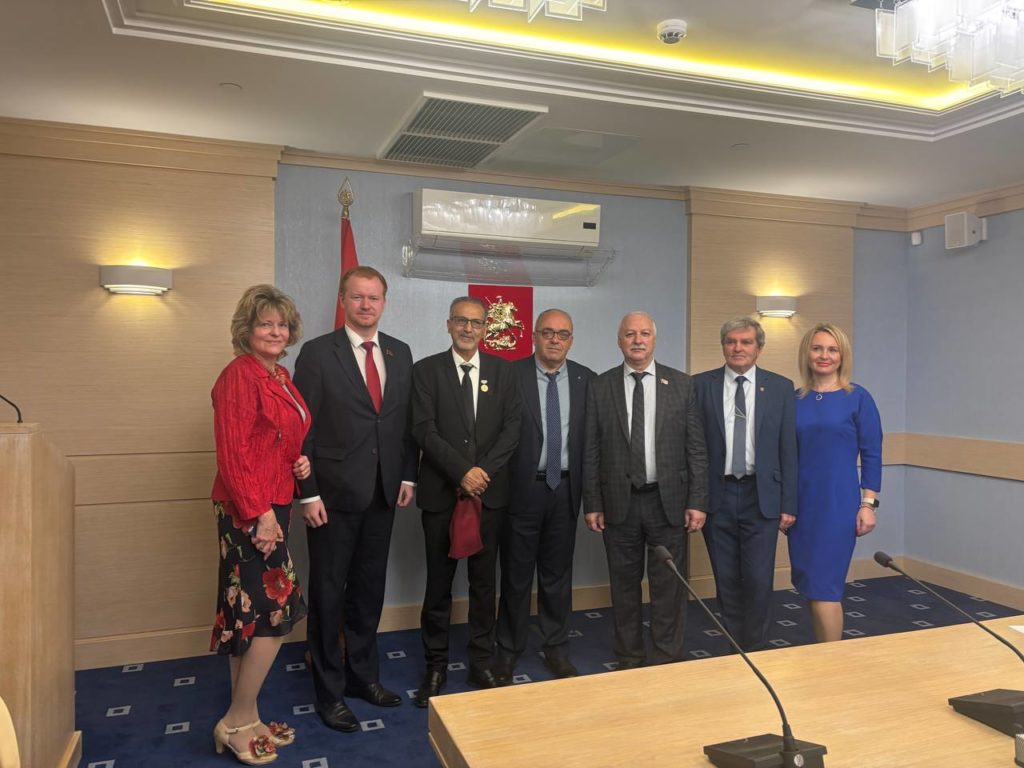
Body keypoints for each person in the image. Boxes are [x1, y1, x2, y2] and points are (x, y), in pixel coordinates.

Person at [292, 266, 418, 732]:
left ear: (384, 302)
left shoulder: (399, 352)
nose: (366, 305)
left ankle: (363, 677)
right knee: (328, 593)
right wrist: (308, 494)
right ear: (343, 300)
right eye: (358, 297)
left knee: (368, 591)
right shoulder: (317, 353)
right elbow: (302, 428)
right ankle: (329, 692)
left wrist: (408, 476)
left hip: (383, 492)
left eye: (374, 297)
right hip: (332, 496)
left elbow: (404, 423)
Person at [210, 284, 310, 765]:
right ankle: (234, 720)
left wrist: (298, 461)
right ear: (246, 330)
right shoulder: (239, 375)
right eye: (265, 323)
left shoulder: (279, 375)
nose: (275, 331)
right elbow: (232, 454)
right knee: (274, 613)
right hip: (249, 510)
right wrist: (260, 514)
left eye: (282, 324)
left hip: (274, 501)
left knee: (248, 613)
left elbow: (274, 439)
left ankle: (247, 719)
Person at [410, 296, 522, 706]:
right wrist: (462, 472)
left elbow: (512, 429)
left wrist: (481, 473)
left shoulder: (504, 372)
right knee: (438, 587)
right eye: (461, 321)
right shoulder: (426, 371)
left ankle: (480, 663)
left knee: (484, 585)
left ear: (486, 328)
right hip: (442, 496)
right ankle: (435, 667)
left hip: (490, 496)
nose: (468, 328)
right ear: (449, 324)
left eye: (476, 322)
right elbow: (424, 430)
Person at [583, 311, 709, 668]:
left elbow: (696, 448)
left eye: (644, 334)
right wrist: (592, 502)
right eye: (630, 334)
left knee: (669, 586)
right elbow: (591, 448)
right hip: (618, 502)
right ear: (619, 340)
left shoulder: (682, 384)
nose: (637, 340)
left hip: (668, 502)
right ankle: (629, 657)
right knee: (623, 586)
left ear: (654, 339)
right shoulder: (600, 386)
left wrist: (698, 500)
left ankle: (668, 657)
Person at [494, 309, 595, 683]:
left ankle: (556, 648)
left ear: (571, 340)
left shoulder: (587, 380)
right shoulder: (510, 374)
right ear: (534, 336)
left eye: (563, 334)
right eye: (548, 332)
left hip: (565, 490)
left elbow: (592, 442)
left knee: (557, 577)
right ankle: (508, 651)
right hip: (522, 490)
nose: (555, 339)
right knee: (516, 577)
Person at [693, 317, 797, 652]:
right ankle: (734, 647)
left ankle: (756, 647)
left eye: (746, 342)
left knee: (757, 578)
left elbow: (788, 449)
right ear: (723, 346)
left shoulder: (780, 387)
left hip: (761, 496)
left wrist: (788, 503)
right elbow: (692, 447)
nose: (738, 348)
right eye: (731, 341)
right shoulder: (700, 385)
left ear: (759, 348)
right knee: (725, 577)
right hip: (717, 494)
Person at [788, 322, 882, 643]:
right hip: (802, 504)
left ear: (842, 356)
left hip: (837, 503)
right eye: (817, 348)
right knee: (810, 584)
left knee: (825, 586)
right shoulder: (794, 399)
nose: (824, 355)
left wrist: (868, 504)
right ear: (807, 353)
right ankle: (822, 652)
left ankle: (832, 659)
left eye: (832, 349)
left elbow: (872, 454)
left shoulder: (857, 398)